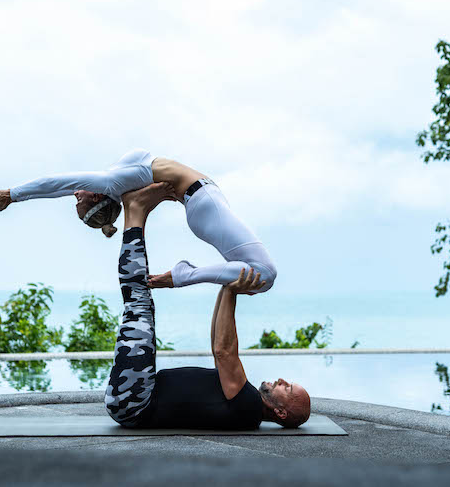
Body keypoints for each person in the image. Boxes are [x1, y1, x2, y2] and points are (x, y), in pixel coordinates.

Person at [106, 182, 310, 429]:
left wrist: (232, 289)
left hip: (135, 400)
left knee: (138, 301)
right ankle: (135, 212)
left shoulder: (249, 408)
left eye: (286, 387)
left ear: (281, 412)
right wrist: (228, 287)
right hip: (137, 396)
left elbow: (224, 352)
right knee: (140, 303)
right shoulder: (245, 402)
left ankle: (135, 211)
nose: (280, 380)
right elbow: (217, 344)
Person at [0, 149, 276, 294]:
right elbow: (59, 183)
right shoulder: (110, 183)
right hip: (203, 204)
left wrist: (15, 194)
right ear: (96, 197)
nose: (74, 194)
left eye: (76, 200)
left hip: (204, 203)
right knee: (264, 275)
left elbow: (62, 185)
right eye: (78, 201)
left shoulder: (113, 180)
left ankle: (187, 276)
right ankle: (183, 275)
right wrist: (13, 195)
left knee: (257, 280)